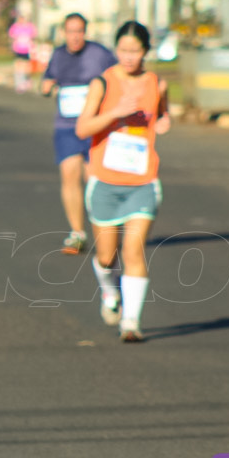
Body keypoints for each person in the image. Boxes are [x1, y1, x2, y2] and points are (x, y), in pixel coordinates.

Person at [75, 21, 170, 343]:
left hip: (143, 182)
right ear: (116, 50)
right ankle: (109, 292)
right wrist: (116, 112)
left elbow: (164, 112)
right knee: (106, 256)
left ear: (146, 52)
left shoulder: (157, 83)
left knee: (134, 249)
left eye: (136, 51)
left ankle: (131, 322)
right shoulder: (102, 83)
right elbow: (83, 128)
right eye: (124, 50)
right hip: (105, 181)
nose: (129, 57)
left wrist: (166, 119)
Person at [40, 13, 118, 255]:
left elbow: (117, 79)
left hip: (95, 127)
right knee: (69, 175)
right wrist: (46, 86)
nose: (75, 37)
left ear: (85, 31)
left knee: (93, 179)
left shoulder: (100, 54)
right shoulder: (58, 55)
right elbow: (46, 81)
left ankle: (103, 231)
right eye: (70, 31)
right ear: (64, 32)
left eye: (79, 31)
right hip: (67, 126)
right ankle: (77, 233)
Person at [8, 12, 37, 93]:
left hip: (27, 50)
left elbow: (33, 37)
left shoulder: (30, 27)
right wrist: (12, 46)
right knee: (18, 66)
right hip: (18, 49)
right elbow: (11, 37)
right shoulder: (15, 27)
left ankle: (27, 80)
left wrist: (33, 48)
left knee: (27, 66)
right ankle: (19, 83)